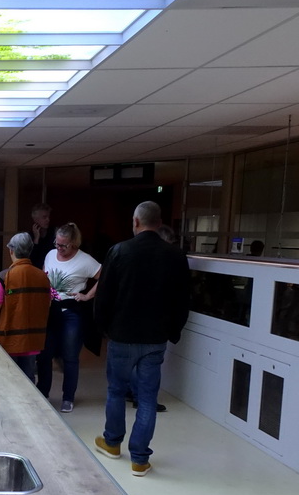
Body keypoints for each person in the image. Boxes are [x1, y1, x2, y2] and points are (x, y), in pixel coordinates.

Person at [93, 201, 190, 477]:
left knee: (115, 390)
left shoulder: (119, 251)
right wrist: (174, 331)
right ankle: (139, 458)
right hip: (156, 338)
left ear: (136, 221)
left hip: (122, 335)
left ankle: (112, 443)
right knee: (147, 398)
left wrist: (103, 329)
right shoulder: (175, 255)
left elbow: (105, 295)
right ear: (159, 223)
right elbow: (183, 300)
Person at [36, 223, 102, 413]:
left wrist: (88, 295)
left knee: (70, 356)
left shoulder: (85, 260)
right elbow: (43, 275)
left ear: (73, 244)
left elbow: (104, 275)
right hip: (49, 310)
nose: (59, 248)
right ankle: (43, 392)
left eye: (63, 245)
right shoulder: (50, 255)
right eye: (57, 243)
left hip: (72, 311)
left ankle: (68, 397)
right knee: (45, 353)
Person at [0, 232, 51, 379]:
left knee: (11, 378)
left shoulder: (4, 276)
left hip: (10, 339)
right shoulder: (42, 276)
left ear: (11, 250)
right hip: (33, 339)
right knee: (29, 378)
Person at [28, 203, 54, 268]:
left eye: (48, 217)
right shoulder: (29, 236)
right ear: (35, 219)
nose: (48, 220)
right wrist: (36, 239)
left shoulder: (54, 233)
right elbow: (31, 259)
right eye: (44, 217)